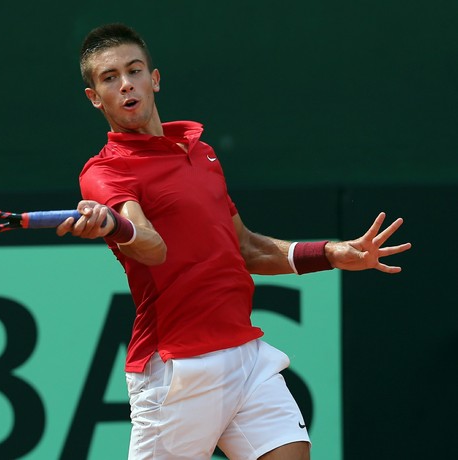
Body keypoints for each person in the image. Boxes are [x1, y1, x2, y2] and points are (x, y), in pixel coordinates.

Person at [56, 23, 411, 460]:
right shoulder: (105, 172)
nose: (126, 84)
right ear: (95, 97)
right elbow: (151, 247)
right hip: (178, 368)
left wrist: (331, 253)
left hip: (245, 353)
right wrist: (116, 227)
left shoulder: (201, 153)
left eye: (134, 70)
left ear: (155, 78)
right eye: (110, 78)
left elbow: (243, 247)